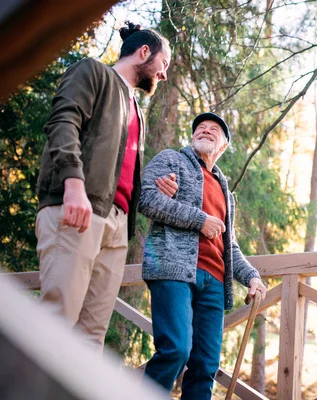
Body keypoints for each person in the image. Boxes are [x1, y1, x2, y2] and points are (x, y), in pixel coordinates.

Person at [35, 22, 175, 351]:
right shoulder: (93, 72)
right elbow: (63, 121)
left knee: (90, 339)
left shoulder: (136, 109)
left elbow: (112, 164)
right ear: (144, 52)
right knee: (56, 322)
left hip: (115, 228)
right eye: (164, 64)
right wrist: (73, 184)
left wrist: (149, 184)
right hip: (76, 210)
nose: (164, 75)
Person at [139, 112, 267, 399]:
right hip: (173, 271)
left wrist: (252, 277)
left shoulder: (225, 191)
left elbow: (229, 244)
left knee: (205, 365)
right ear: (193, 136)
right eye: (201, 128)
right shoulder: (172, 160)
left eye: (214, 130)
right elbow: (146, 198)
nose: (206, 131)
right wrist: (200, 220)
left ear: (222, 147)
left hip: (214, 283)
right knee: (176, 349)